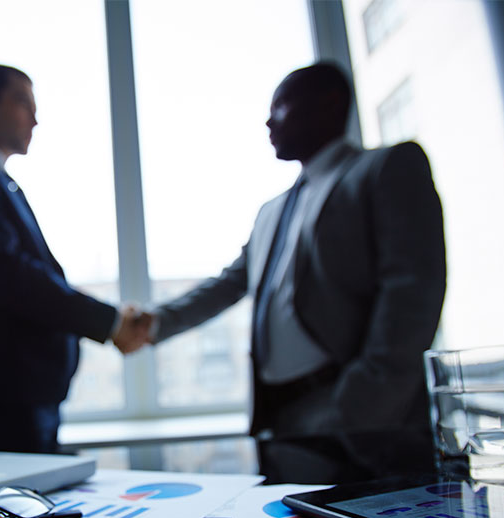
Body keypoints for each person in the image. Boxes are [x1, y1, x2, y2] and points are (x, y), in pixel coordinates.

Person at [133, 62, 446, 440]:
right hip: (278, 418)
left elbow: (412, 289)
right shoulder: (271, 211)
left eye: (280, 106)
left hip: (360, 413)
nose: (268, 122)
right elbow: (231, 283)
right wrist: (155, 323)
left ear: (330, 104)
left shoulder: (385, 168)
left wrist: (366, 398)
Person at [0, 64, 148, 454]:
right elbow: (10, 276)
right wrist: (111, 321)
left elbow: (35, 279)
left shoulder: (2, 183)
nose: (35, 118)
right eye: (22, 103)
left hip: (23, 396)